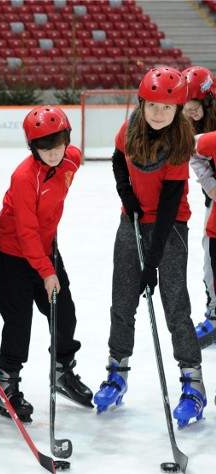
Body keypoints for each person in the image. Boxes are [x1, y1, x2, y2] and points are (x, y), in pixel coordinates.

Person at [93, 67, 206, 428]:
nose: (158, 113)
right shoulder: (129, 130)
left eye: (167, 107)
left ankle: (193, 383)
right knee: (122, 299)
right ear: (142, 104)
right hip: (131, 220)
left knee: (174, 302)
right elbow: (117, 160)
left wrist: (153, 261)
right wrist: (126, 194)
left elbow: (171, 203)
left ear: (177, 111)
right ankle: (117, 373)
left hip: (169, 227)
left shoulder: (179, 141)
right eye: (152, 105)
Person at [0, 106, 92, 424]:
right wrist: (47, 272)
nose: (53, 153)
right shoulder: (24, 178)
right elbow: (25, 232)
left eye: (58, 144)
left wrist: (50, 264)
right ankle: (7, 386)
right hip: (13, 253)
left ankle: (63, 371)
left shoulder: (71, 159)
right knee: (18, 321)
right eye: (44, 147)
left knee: (64, 313)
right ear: (32, 147)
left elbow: (67, 165)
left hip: (46, 249)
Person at [183, 65, 216, 349]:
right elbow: (197, 160)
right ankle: (215, 314)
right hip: (215, 202)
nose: (190, 116)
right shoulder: (191, 127)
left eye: (194, 109)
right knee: (210, 257)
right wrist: (212, 189)